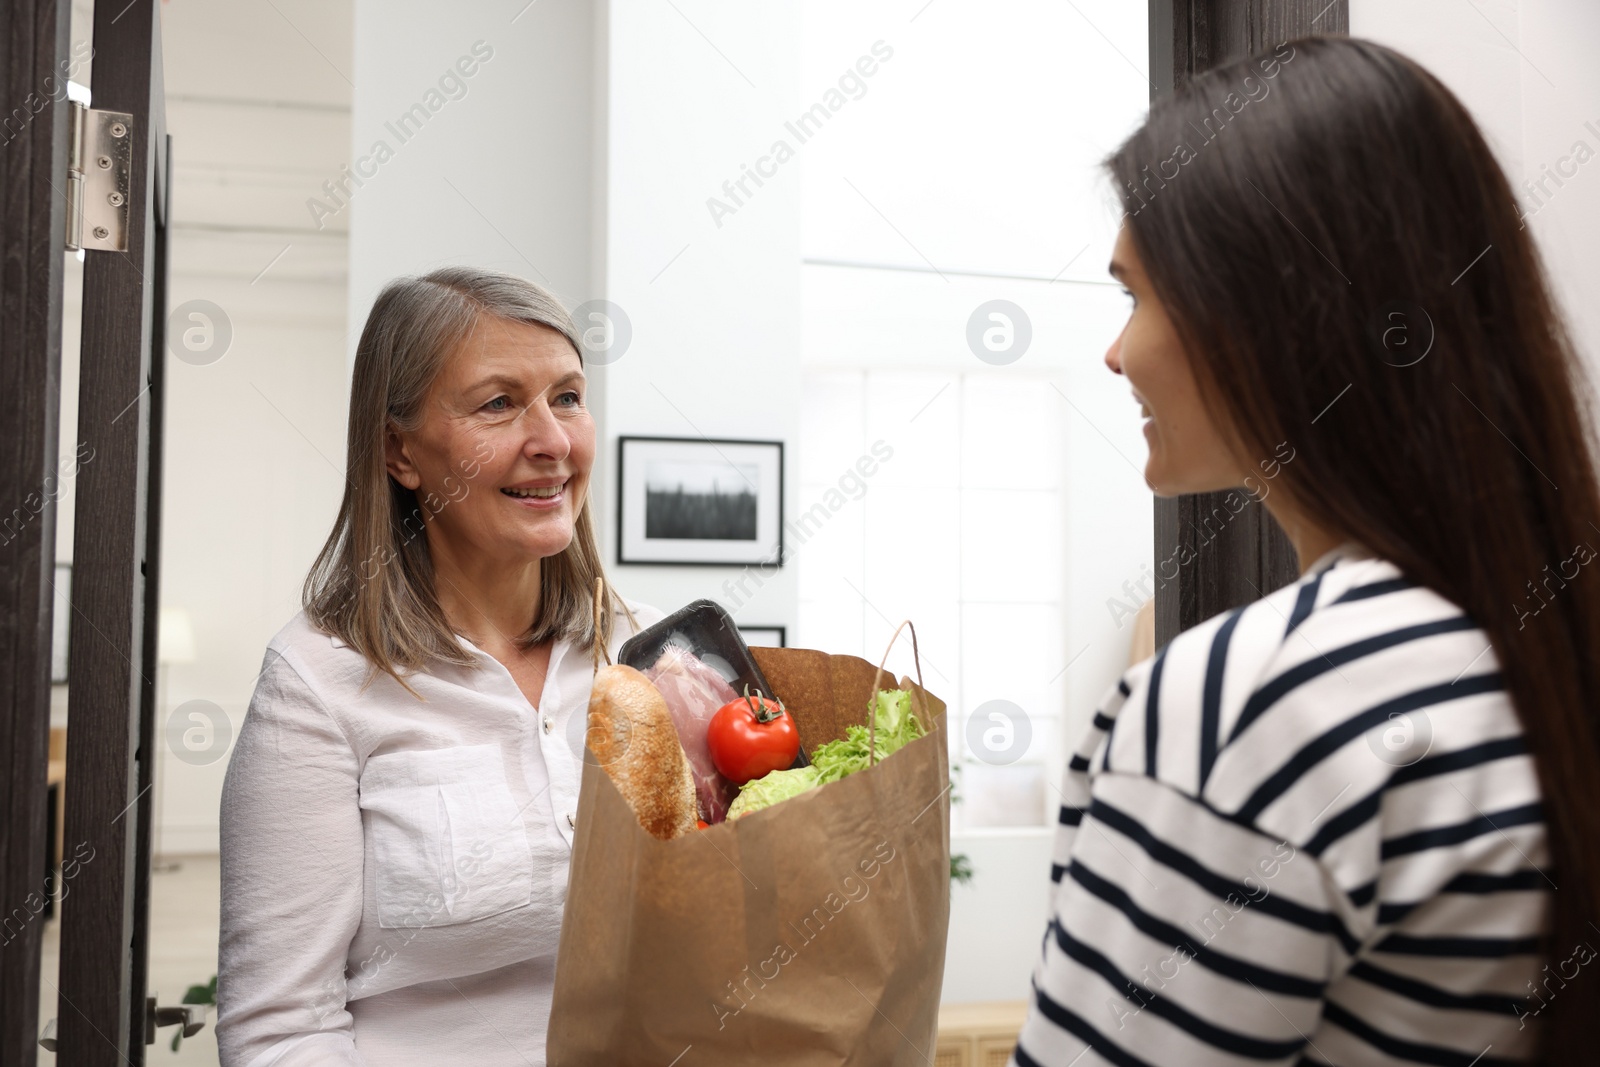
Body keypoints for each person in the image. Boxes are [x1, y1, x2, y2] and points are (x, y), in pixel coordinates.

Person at [1012, 36, 1600, 1066]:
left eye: (1133, 294)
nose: (1117, 353)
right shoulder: (1537, 641)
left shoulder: (1255, 698)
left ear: (1265, 315)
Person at [214, 267, 663, 1066]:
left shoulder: (639, 655)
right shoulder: (317, 682)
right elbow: (280, 1031)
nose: (553, 441)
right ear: (399, 451)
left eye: (567, 397)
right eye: (498, 403)